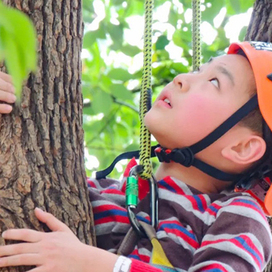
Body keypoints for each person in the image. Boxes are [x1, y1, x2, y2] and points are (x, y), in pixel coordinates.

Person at [0, 41, 272, 272]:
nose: (182, 78)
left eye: (214, 81)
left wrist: (98, 264)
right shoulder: (105, 194)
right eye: (199, 70)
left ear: (242, 148)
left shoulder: (237, 217)